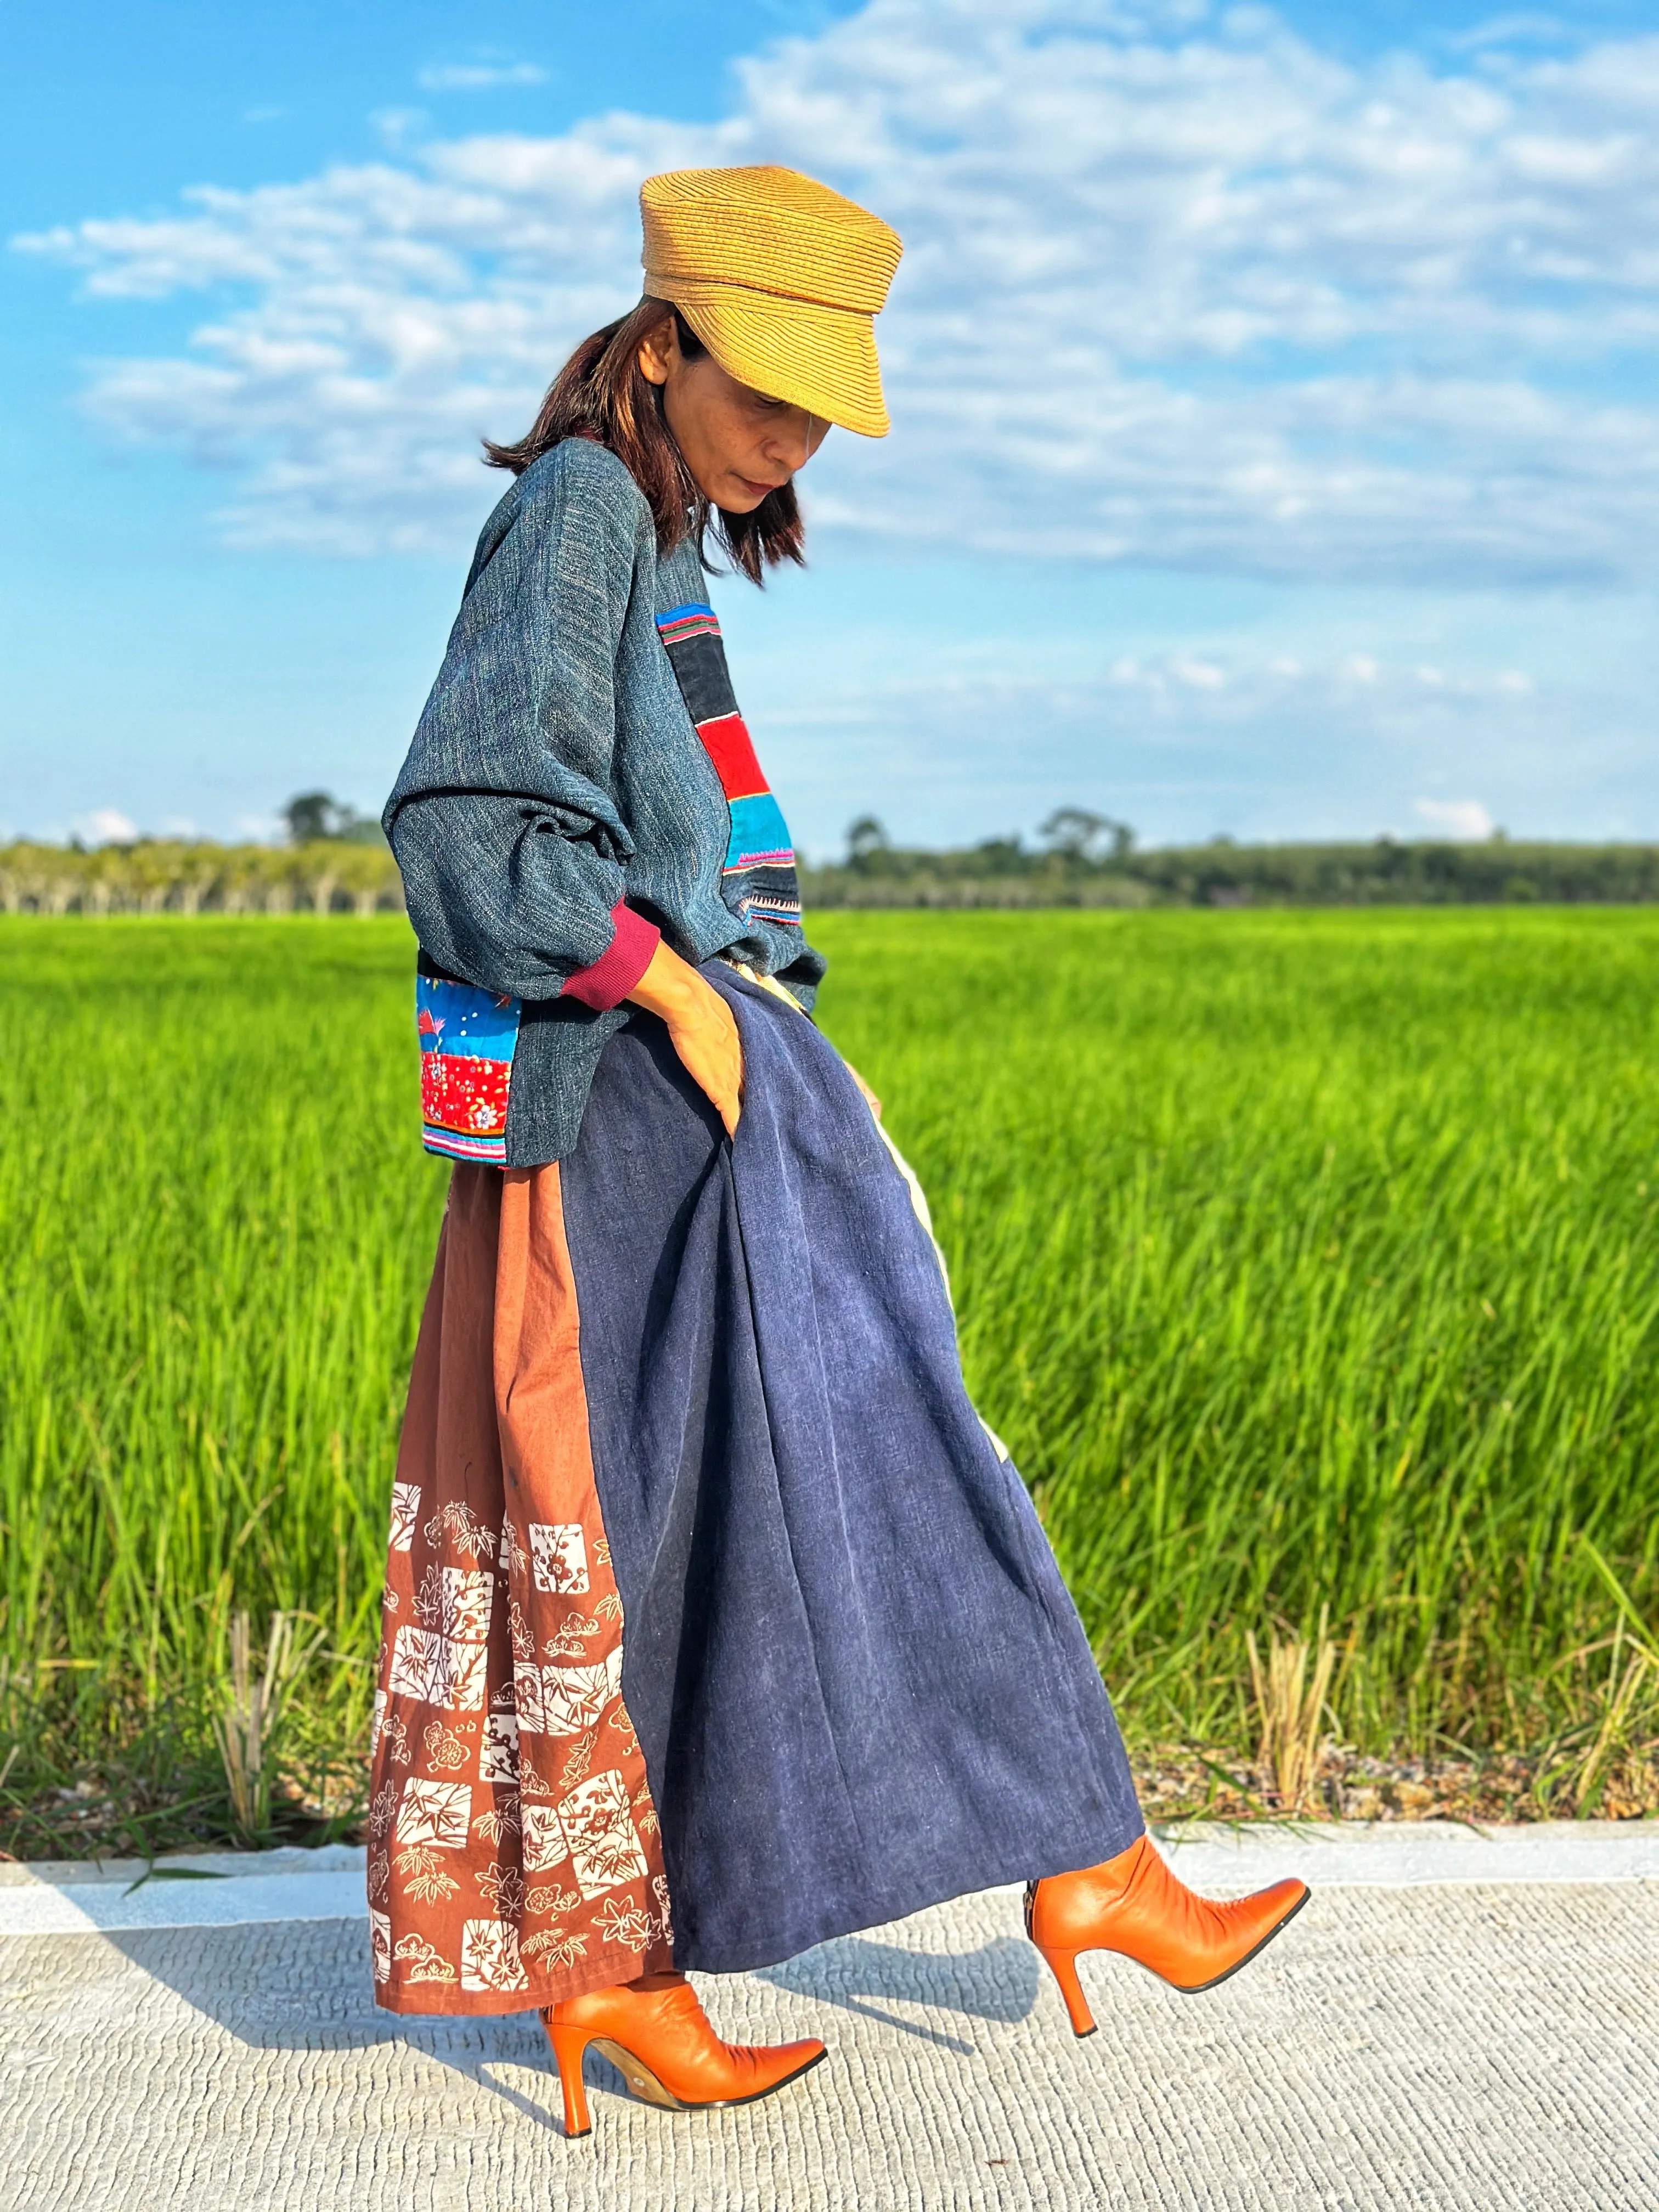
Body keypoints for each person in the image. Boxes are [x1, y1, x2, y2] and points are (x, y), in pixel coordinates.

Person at [369, 165, 1307, 2141]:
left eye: (823, 403)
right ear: (667, 340)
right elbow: (464, 822)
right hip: (628, 1101)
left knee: (811, 1473)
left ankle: (1062, 1863)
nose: (794, 433)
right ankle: (782, 1937)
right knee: (712, 1495)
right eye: (766, 388)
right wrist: (690, 1000)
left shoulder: (666, 536)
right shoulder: (575, 519)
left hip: (695, 1081)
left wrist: (745, 1007)